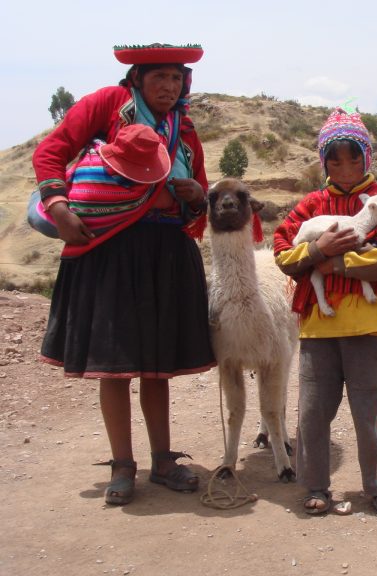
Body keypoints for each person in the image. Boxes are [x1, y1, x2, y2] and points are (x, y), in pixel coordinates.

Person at [32, 43, 215, 506]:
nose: (169, 88)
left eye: (176, 79)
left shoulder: (184, 128)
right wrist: (57, 205)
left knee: (157, 366)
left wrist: (195, 195)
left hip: (165, 252)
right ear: (137, 78)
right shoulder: (106, 106)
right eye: (159, 78)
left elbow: (202, 193)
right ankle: (122, 465)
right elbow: (51, 152)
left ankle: (163, 461)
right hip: (110, 251)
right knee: (114, 366)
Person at [273, 108, 377, 515]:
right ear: (324, 162)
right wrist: (317, 249)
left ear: (366, 156)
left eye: (353, 157)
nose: (345, 166)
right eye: (334, 159)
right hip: (318, 329)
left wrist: (331, 264)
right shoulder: (312, 204)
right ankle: (315, 486)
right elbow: (284, 253)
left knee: (369, 413)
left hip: (368, 325)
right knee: (314, 414)